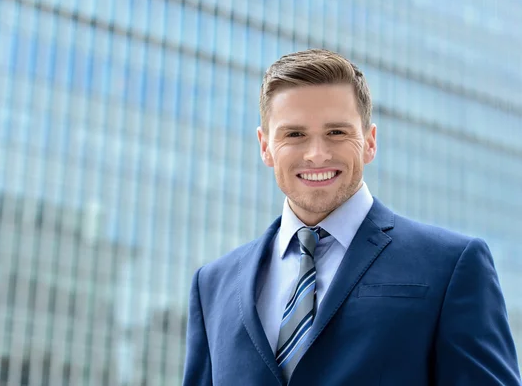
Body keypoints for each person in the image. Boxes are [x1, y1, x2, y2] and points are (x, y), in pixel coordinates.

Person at [182, 49, 521, 385]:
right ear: (265, 146)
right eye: (294, 134)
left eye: (337, 132)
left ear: (370, 142)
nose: (316, 154)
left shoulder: (451, 265)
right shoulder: (212, 284)